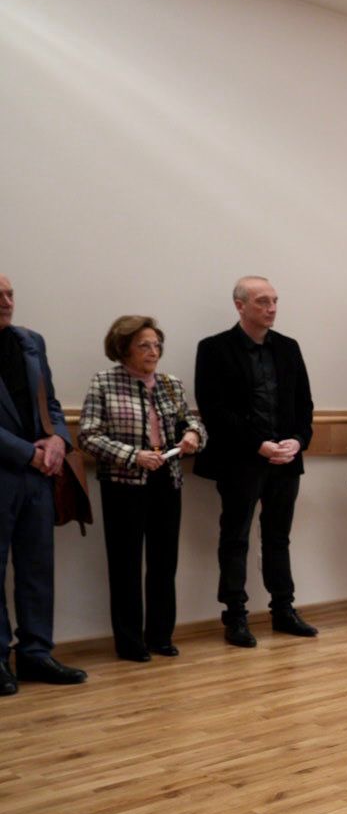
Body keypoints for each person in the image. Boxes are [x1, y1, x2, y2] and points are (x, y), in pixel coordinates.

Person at [194, 275, 317, 648]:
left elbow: (304, 405)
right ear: (240, 305)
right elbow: (214, 410)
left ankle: (283, 609)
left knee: (278, 537)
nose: (272, 308)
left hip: (286, 459)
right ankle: (235, 615)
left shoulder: (288, 347)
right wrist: (260, 445)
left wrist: (297, 440)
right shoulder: (215, 348)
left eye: (275, 301)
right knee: (235, 537)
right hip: (240, 460)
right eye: (263, 301)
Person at [79, 316, 205, 660]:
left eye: (156, 344)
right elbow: (88, 435)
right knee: (126, 565)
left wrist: (193, 434)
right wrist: (134, 456)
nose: (153, 351)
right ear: (123, 348)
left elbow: (192, 421)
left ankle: (161, 636)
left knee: (165, 562)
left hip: (167, 479)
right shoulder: (105, 382)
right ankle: (130, 642)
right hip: (123, 484)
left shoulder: (169, 383)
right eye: (144, 345)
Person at [0, 275, 88, 693]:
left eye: (10, 294)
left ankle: (36, 653)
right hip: (9, 469)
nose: (6, 301)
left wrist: (58, 440)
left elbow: (49, 402)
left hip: (39, 476)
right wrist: (27, 452)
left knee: (38, 567)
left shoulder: (31, 341)